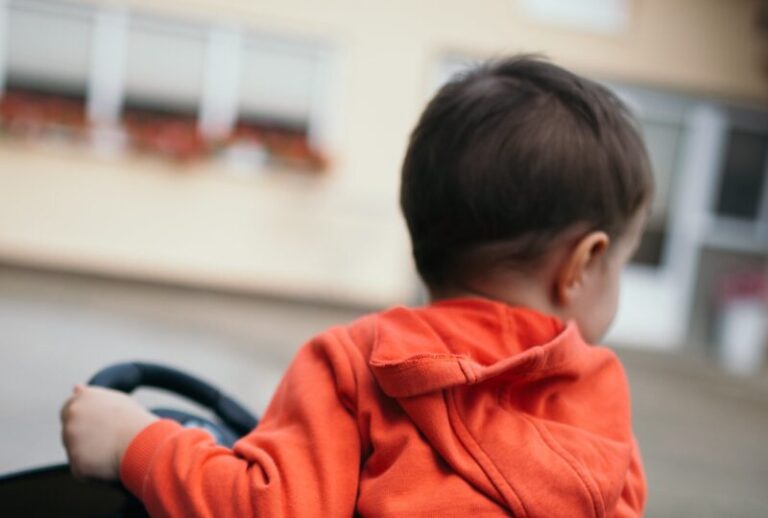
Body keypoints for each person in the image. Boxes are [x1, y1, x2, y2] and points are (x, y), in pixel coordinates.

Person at [61, 55, 651, 517]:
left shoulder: (354, 365)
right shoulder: (603, 407)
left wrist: (133, 443)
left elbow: (267, 508)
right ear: (582, 263)